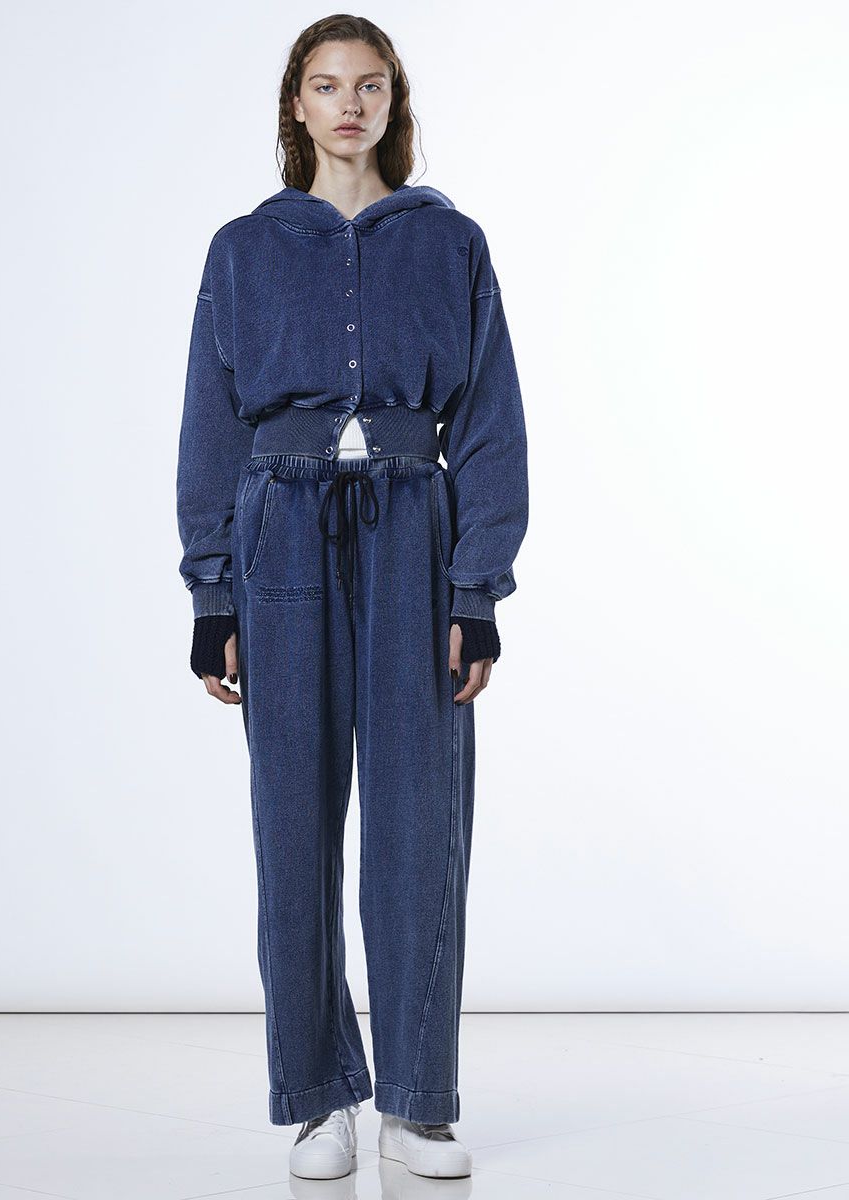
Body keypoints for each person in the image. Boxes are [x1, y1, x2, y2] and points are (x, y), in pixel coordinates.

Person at [175, 14, 529, 1182]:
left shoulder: (451, 242)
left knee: (420, 825)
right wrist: (211, 595)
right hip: (277, 532)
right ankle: (318, 1096)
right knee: (292, 821)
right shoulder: (242, 248)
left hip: (412, 532)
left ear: (392, 102)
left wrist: (475, 590)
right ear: (296, 103)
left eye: (368, 86)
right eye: (326, 86)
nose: (348, 105)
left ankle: (416, 1105)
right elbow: (211, 422)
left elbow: (489, 420)